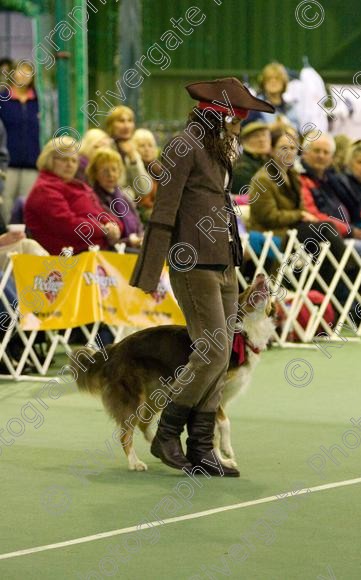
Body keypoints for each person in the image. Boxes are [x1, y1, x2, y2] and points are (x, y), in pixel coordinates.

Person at [130, 77, 275, 477]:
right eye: (236, 122)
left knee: (222, 352)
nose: (239, 129)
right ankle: (167, 432)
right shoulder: (184, 146)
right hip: (191, 261)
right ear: (220, 117)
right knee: (211, 351)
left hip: (224, 260)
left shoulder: (217, 150)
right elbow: (165, 210)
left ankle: (201, 448)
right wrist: (150, 267)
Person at [249, 129, 356, 302]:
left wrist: (300, 215)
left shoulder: (293, 176)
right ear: (271, 150)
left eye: (292, 148)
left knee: (324, 247)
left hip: (293, 232)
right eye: (284, 148)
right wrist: (299, 214)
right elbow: (267, 217)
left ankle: (321, 298)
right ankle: (351, 268)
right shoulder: (263, 179)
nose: (289, 152)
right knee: (325, 228)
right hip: (272, 233)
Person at [299, 134, 361, 268]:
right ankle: (359, 287)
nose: (321, 156)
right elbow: (314, 215)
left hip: (350, 229)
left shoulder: (332, 180)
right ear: (305, 153)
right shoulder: (301, 179)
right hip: (325, 235)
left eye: (325, 152)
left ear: (331, 158)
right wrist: (350, 230)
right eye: (316, 151)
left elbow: (354, 208)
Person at [25, 137, 123, 255]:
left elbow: (104, 213)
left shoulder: (79, 185)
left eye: (74, 160)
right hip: (66, 260)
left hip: (95, 253)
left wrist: (113, 226)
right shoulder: (44, 189)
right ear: (49, 160)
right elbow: (68, 226)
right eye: (64, 159)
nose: (70, 165)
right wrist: (104, 230)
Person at [0, 60, 40, 222]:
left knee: (27, 203)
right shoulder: (3, 99)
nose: (23, 76)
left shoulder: (39, 101)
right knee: (5, 202)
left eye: (27, 72)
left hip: (32, 162)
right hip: (7, 164)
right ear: (13, 73)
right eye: (20, 71)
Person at [86, 148, 143, 249]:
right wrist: (128, 242)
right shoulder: (93, 198)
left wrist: (140, 238)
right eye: (105, 171)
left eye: (114, 170)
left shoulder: (124, 197)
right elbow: (105, 238)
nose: (110, 175)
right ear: (95, 174)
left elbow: (138, 224)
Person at [105, 106, 149, 197]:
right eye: (121, 121)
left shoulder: (133, 150)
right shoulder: (105, 148)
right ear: (111, 125)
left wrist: (133, 159)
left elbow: (144, 189)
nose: (126, 126)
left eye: (130, 121)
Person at [243, 62, 300, 131]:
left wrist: (287, 126)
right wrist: (270, 128)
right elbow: (247, 129)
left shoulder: (290, 106)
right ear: (263, 83)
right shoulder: (255, 105)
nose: (273, 81)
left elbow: (297, 128)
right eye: (269, 79)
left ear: (283, 82)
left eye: (277, 78)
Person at [131, 128, 163, 224]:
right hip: (141, 214)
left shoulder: (158, 168)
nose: (147, 149)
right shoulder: (133, 167)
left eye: (150, 145)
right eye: (142, 146)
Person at [232, 121, 271, 195]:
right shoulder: (242, 167)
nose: (262, 140)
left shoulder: (265, 160)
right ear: (245, 141)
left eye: (265, 135)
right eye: (256, 136)